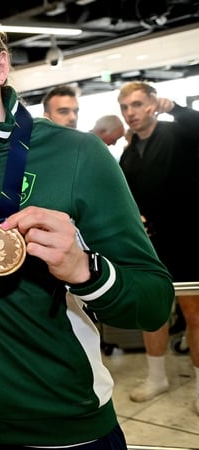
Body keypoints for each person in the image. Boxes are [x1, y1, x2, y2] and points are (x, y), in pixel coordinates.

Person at [0, 2, 174, 448]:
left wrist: (84, 270)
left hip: (65, 427)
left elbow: (153, 302)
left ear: (1, 65)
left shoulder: (77, 155)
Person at [116, 80, 199, 414]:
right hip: (151, 244)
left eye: (136, 104)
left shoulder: (177, 133)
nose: (130, 113)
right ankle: (156, 377)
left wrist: (176, 109)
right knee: (153, 313)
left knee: (194, 314)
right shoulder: (129, 150)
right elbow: (123, 194)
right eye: (125, 107)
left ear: (153, 104)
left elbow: (197, 127)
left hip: (190, 239)